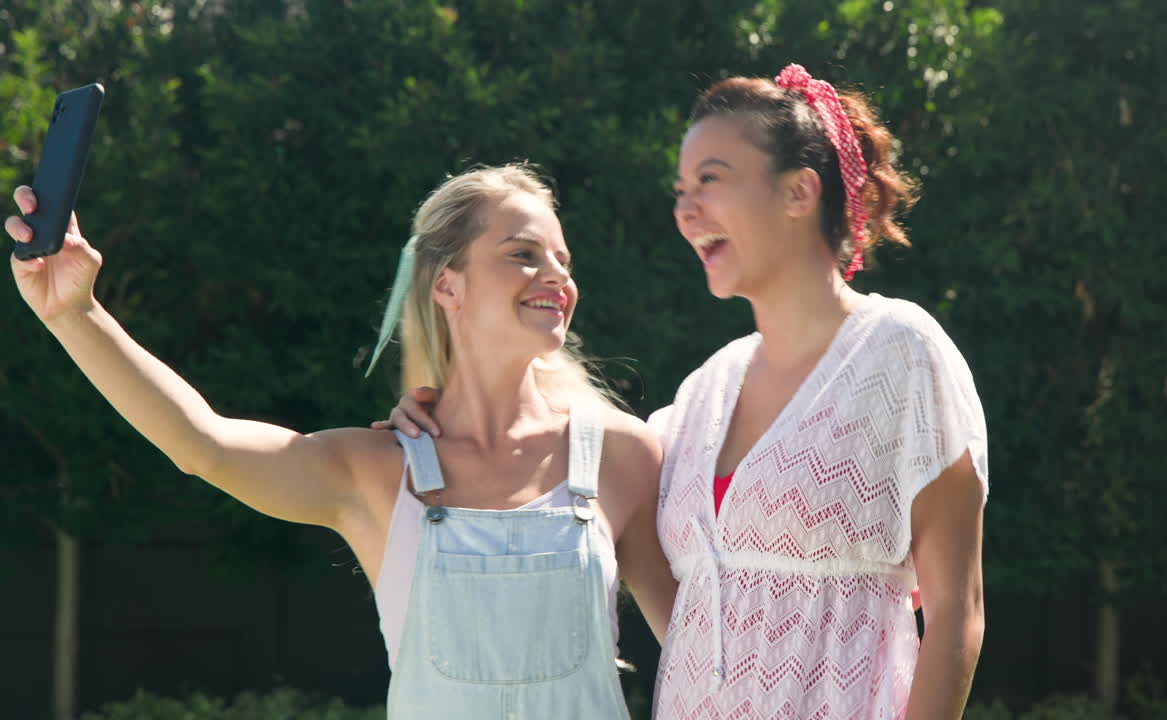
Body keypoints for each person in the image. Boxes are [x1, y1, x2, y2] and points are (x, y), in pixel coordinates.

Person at [384, 65, 987, 720]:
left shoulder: (899, 352)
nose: (685, 209)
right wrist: (443, 411)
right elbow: (569, 455)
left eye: (710, 180)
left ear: (799, 191)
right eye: (681, 190)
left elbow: (958, 613)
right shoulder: (706, 391)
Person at [6, 164, 677, 719]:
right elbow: (201, 444)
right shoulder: (376, 470)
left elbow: (697, 651)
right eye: (522, 255)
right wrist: (76, 314)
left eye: (563, 259)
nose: (556, 277)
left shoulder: (622, 456)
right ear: (448, 286)